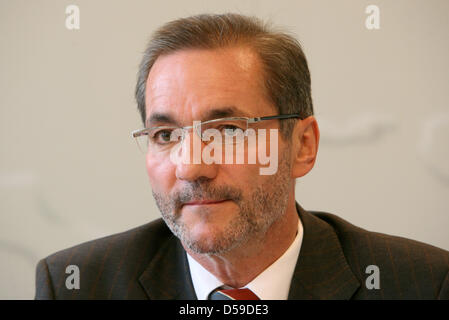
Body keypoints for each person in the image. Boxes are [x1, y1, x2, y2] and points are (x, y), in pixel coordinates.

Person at [35, 13, 448, 300]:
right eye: (165, 134)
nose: (192, 166)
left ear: (302, 146)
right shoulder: (76, 285)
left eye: (229, 131)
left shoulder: (422, 284)